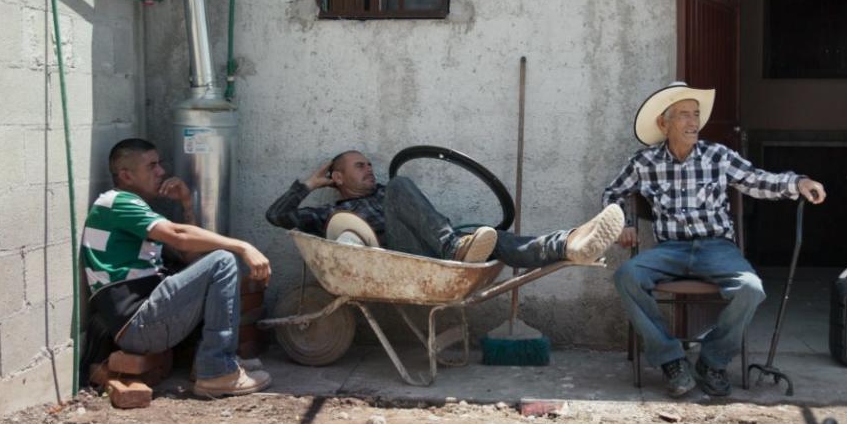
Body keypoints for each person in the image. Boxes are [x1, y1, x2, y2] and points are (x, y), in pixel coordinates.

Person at [602, 82, 826, 397]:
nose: (694, 122)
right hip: (670, 250)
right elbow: (613, 193)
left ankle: (712, 361)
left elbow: (757, 180)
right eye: (684, 115)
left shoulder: (717, 156)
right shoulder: (644, 162)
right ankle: (671, 361)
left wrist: (798, 183)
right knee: (627, 276)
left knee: (751, 288)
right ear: (663, 124)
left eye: (696, 115)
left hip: (716, 248)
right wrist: (623, 223)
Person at [82, 138, 273, 398]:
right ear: (126, 175)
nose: (161, 171)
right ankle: (216, 371)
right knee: (223, 260)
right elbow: (178, 235)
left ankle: (212, 362)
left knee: (215, 263)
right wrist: (242, 246)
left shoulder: (134, 210)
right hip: (138, 322)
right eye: (152, 166)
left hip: (147, 318)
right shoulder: (116, 202)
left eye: (159, 164)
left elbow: (191, 257)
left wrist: (185, 203)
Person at [266, 150, 626, 269]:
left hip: (428, 251)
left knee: (493, 237)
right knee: (402, 185)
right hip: (397, 262)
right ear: (338, 177)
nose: (369, 169)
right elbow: (276, 216)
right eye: (359, 166)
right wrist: (309, 186)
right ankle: (455, 246)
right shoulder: (329, 216)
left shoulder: (387, 192)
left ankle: (569, 245)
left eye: (368, 164)